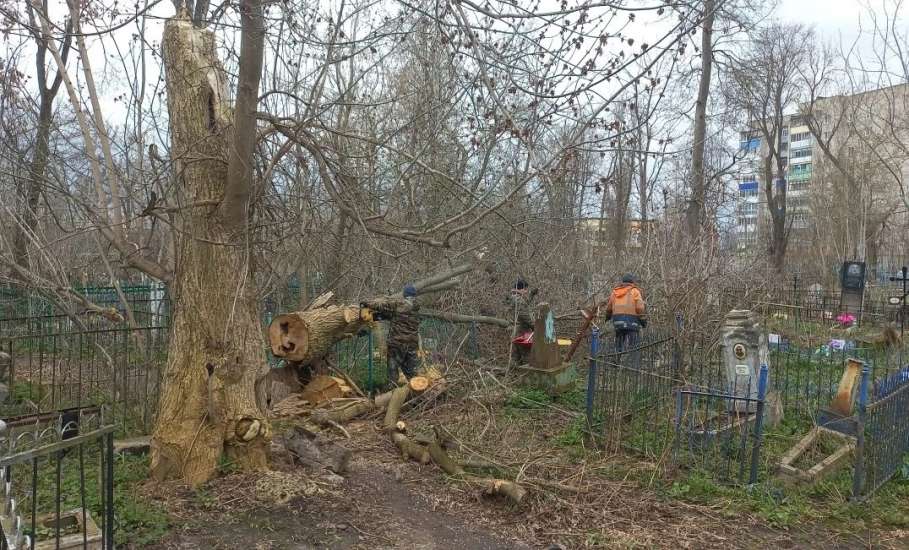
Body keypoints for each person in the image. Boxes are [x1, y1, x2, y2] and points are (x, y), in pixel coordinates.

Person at [385, 283, 421, 383]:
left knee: (393, 373)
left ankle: (392, 393)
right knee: (413, 375)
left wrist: (367, 304)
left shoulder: (398, 305)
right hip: (412, 345)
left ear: (404, 295)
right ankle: (418, 395)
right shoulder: (417, 308)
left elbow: (383, 306)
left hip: (396, 344)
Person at [603, 274, 646, 352]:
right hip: (632, 322)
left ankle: (616, 360)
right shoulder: (635, 291)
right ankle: (632, 361)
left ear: (622, 282)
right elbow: (640, 308)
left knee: (618, 345)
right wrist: (643, 320)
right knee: (633, 347)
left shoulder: (615, 292)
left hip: (617, 322)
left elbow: (609, 308)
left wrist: (607, 317)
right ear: (632, 282)